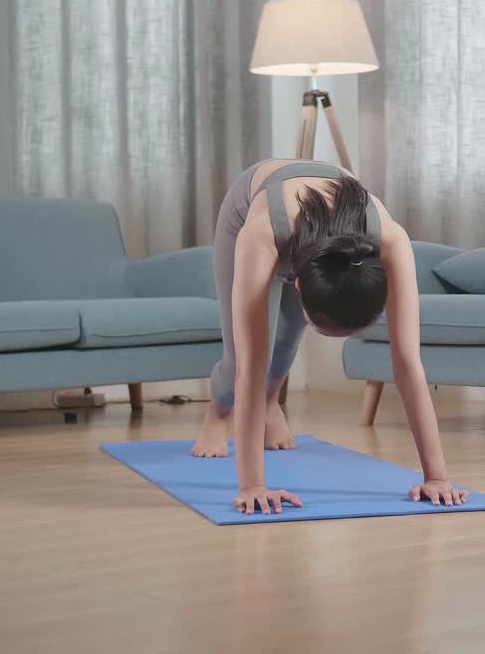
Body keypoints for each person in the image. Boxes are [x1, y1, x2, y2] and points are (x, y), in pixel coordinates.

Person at [194, 158, 468, 515]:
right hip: (250, 209)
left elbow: (408, 365)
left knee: (286, 343)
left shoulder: (391, 239)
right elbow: (251, 369)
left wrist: (437, 477)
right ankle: (217, 413)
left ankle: (269, 403)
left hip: (313, 234)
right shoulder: (261, 233)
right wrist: (253, 486)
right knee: (242, 358)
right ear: (298, 283)